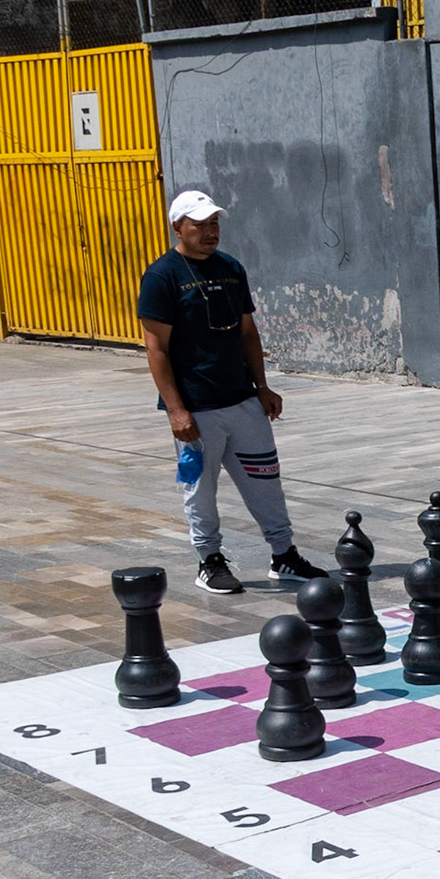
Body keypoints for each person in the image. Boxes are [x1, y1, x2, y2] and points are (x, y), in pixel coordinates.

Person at [138, 190, 325, 593]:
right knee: (200, 490)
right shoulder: (162, 276)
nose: (210, 232)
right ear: (178, 227)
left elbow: (247, 333)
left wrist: (262, 386)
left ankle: (284, 555)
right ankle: (209, 560)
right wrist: (176, 410)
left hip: (242, 401)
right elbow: (156, 350)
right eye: (200, 225)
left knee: (266, 480)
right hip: (196, 409)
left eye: (215, 224)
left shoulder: (231, 268)